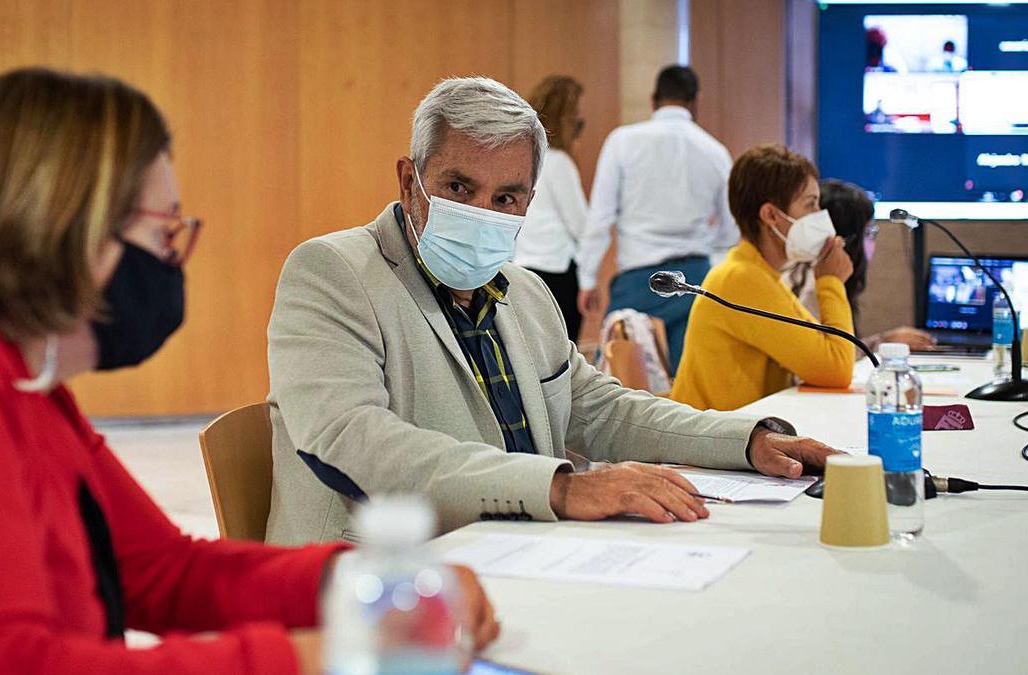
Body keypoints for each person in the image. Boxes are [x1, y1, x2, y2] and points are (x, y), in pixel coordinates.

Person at [0, 68, 497, 673]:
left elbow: (159, 570)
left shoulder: (21, 380)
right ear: (66, 226)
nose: (170, 263)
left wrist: (366, 581)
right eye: (163, 233)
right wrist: (310, 658)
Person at [265, 77, 838, 546]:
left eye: (505, 198)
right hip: (376, 583)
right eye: (459, 188)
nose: (481, 212)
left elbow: (603, 411)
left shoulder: (525, 293)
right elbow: (352, 440)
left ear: (527, 205)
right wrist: (560, 487)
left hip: (522, 553)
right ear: (409, 183)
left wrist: (746, 441)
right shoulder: (332, 272)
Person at [575, 65, 737, 375]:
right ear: (695, 101)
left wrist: (587, 277)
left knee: (612, 382)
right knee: (688, 384)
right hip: (696, 279)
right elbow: (729, 231)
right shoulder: (715, 152)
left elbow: (600, 216)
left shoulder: (623, 141)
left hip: (640, 280)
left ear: (653, 100)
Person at [670, 144, 856, 411]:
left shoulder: (759, 273)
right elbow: (836, 368)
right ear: (770, 215)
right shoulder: (741, 279)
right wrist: (830, 281)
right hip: (708, 447)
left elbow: (826, 355)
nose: (819, 217)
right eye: (810, 204)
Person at [784, 179, 936, 352]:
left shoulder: (804, 273)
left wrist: (881, 341)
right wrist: (880, 343)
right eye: (869, 232)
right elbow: (829, 360)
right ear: (844, 238)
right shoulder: (813, 289)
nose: (873, 242)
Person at [514, 75, 588, 342]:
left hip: (521, 269)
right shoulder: (559, 163)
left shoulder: (521, 160)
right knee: (560, 360)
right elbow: (581, 226)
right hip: (558, 274)